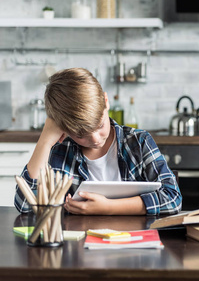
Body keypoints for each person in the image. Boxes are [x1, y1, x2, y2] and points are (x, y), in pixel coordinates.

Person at [14, 68, 182, 216]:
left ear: (106, 102)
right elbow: (26, 206)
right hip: (78, 246)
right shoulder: (60, 150)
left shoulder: (138, 142)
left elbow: (173, 199)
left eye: (100, 125)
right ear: (62, 128)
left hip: (133, 244)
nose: (95, 139)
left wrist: (109, 207)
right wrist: (45, 141)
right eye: (81, 134)